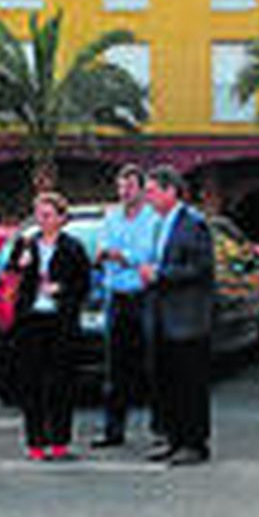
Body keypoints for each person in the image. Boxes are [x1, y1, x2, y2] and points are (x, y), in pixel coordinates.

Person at [6, 191, 91, 461]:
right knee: (31, 383)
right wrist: (19, 266)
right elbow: (9, 276)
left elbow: (84, 285)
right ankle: (35, 443)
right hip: (31, 322)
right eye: (38, 214)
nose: (42, 220)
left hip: (60, 321)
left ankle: (60, 442)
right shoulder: (26, 244)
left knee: (61, 382)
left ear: (61, 218)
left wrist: (61, 288)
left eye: (47, 215)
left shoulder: (73, 247)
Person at [141, 166, 214, 466]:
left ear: (171, 191)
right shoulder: (160, 223)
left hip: (187, 317)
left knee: (189, 383)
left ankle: (194, 443)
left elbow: (200, 268)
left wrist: (160, 274)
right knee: (166, 382)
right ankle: (172, 438)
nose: (148, 198)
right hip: (160, 314)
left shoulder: (193, 223)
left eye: (152, 191)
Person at [93, 164, 159, 448]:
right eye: (120, 186)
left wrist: (120, 255)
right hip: (116, 295)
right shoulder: (110, 216)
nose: (124, 192)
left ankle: (160, 431)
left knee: (152, 365)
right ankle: (113, 431)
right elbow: (102, 250)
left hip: (143, 296)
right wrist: (120, 256)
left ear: (142, 190)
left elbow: (147, 254)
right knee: (115, 369)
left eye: (130, 186)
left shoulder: (153, 219)